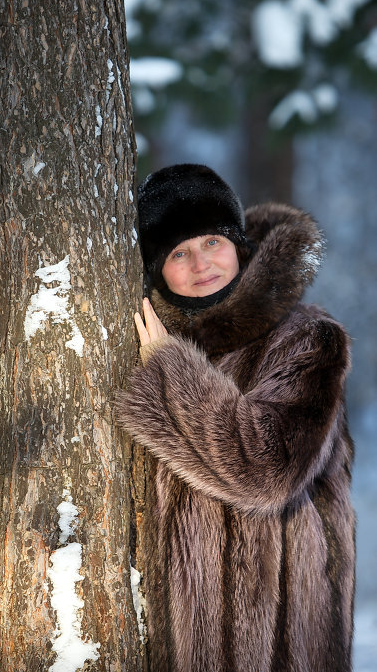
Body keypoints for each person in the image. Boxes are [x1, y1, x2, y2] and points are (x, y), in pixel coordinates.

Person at [116, 164, 355, 672]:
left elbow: (267, 470)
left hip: (281, 636)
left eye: (212, 241)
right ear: (157, 269)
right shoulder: (152, 344)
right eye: (178, 253)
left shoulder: (308, 337)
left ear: (240, 245)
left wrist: (174, 375)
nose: (201, 262)